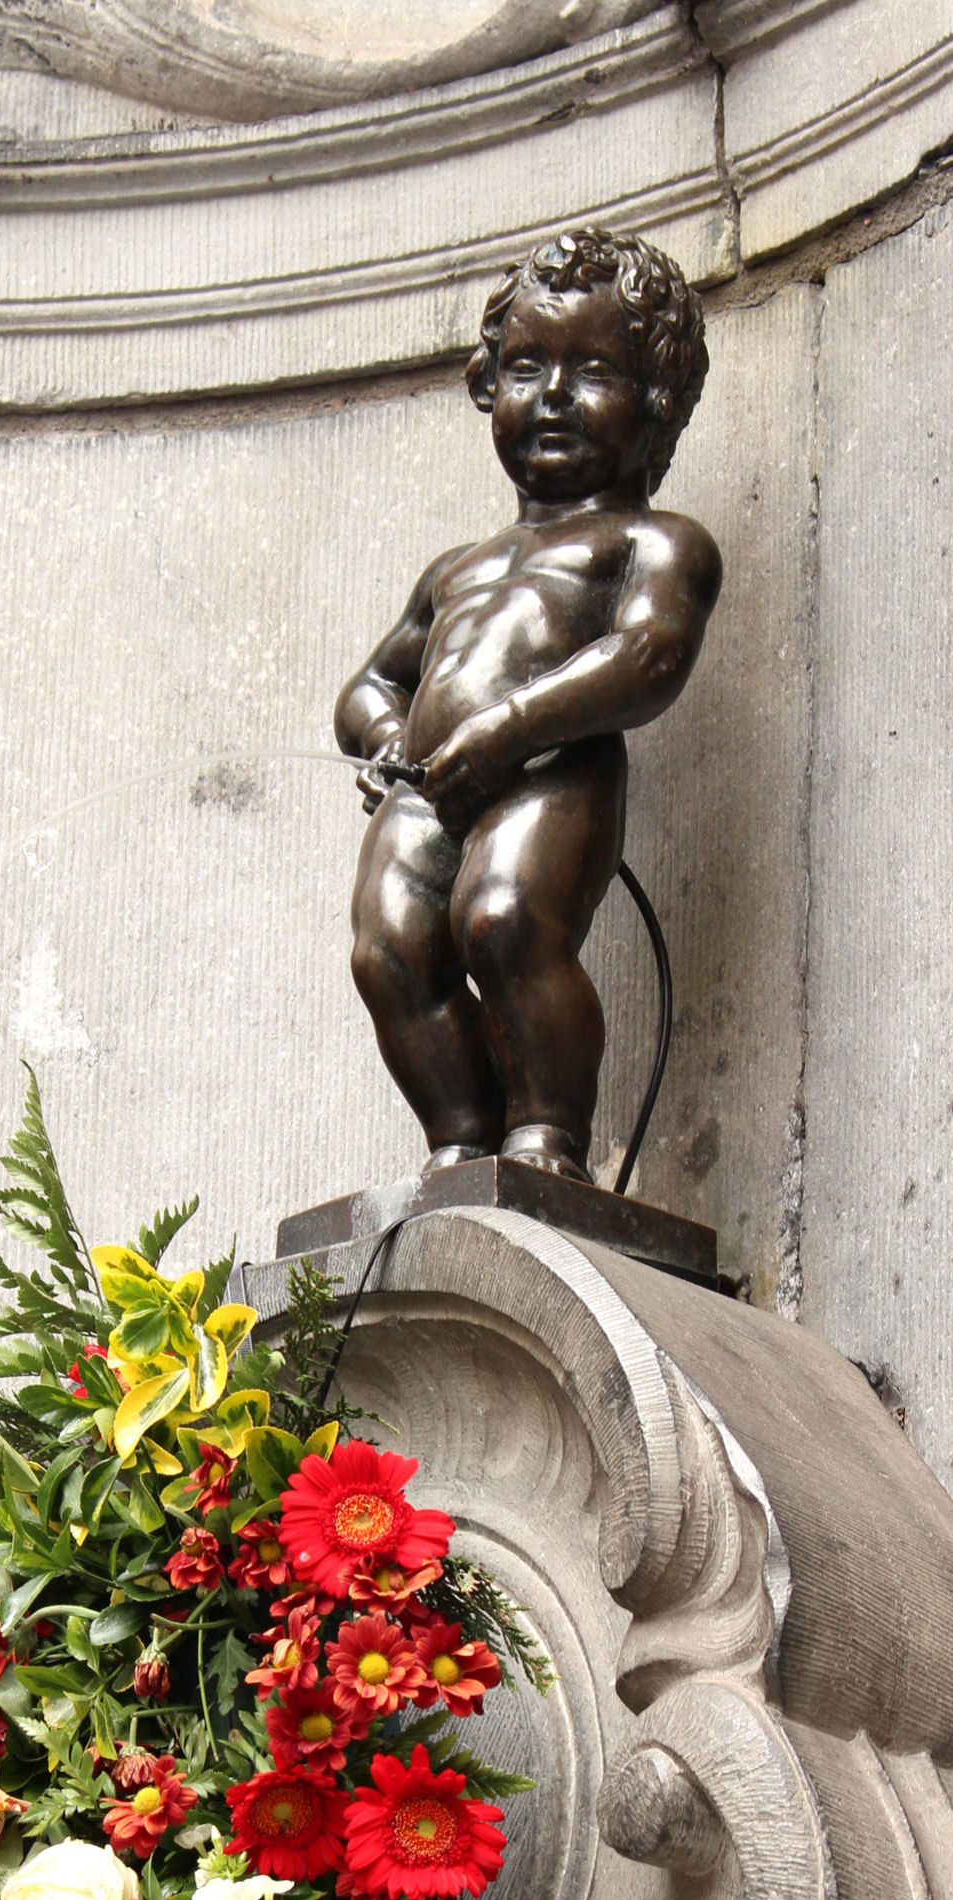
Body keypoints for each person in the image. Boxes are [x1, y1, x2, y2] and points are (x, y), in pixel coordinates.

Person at [336, 225, 722, 1182]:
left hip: (554, 768)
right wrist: (387, 741)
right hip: (427, 792)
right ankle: (461, 1144)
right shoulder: (456, 569)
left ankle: (548, 1134)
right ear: (486, 386)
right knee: (388, 950)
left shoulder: (653, 542)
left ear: (657, 397)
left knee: (504, 922)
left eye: (591, 370)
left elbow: (651, 655)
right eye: (524, 367)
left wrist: (510, 731)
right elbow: (372, 684)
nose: (551, 395)